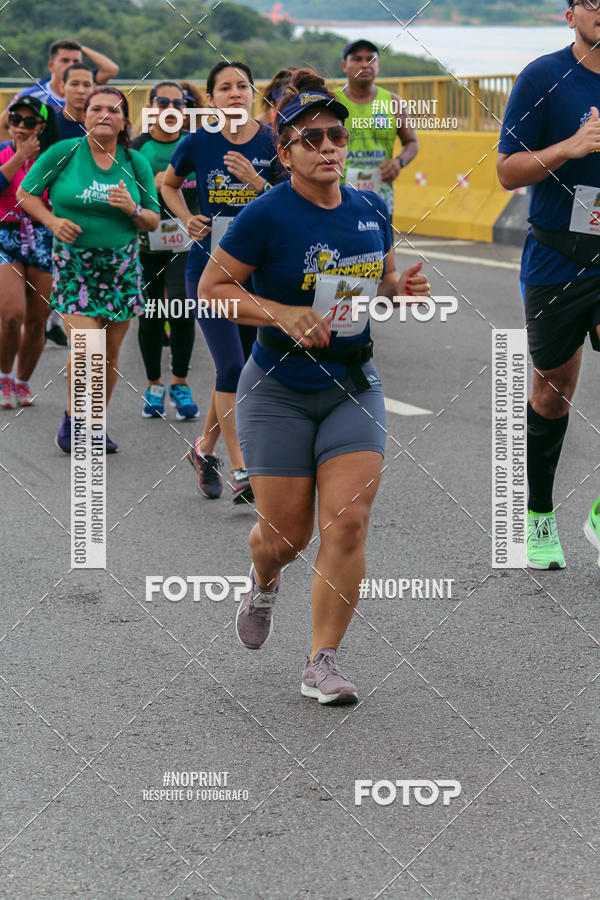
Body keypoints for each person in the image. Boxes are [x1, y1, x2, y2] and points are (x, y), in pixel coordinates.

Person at [199, 68, 430, 703]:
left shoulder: (370, 210)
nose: (328, 146)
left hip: (353, 385)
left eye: (336, 136)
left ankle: (321, 661)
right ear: (286, 153)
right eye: (312, 138)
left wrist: (396, 292)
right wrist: (282, 314)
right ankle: (263, 580)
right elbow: (212, 291)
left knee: (349, 521)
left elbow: (368, 288)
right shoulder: (264, 215)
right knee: (285, 536)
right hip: (276, 388)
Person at [497, 0, 600, 569]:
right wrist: (569, 147)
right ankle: (537, 516)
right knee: (553, 389)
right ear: (570, 16)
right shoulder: (543, 76)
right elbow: (507, 170)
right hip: (558, 256)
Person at [162, 60, 286, 503]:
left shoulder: (274, 140)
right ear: (211, 98)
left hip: (258, 273)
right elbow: (169, 184)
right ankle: (242, 469)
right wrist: (186, 216)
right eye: (225, 88)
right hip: (209, 270)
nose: (235, 93)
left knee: (240, 368)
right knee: (231, 367)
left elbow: (295, 200)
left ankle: (203, 449)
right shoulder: (198, 141)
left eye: (243, 86)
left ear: (254, 93)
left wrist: (257, 182)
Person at [18, 87, 159, 453]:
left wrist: (132, 208)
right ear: (84, 116)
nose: (103, 115)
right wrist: (51, 221)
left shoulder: (135, 162)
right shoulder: (63, 154)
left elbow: (153, 220)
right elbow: (26, 193)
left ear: (125, 120)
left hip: (121, 266)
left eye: (113, 110)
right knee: (88, 346)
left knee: (109, 352)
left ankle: (91, 424)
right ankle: (77, 419)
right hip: (74, 263)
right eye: (96, 108)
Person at [131, 80, 199, 420]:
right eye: (163, 102)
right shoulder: (137, 146)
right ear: (151, 106)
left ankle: (181, 383)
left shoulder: (195, 144)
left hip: (184, 240)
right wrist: (151, 185)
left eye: (178, 103)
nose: (170, 109)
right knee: (152, 313)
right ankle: (154, 385)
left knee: (183, 307)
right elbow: (121, 189)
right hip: (146, 241)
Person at [0, 97, 59, 408]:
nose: (21, 126)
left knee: (38, 319)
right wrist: (19, 156)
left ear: (42, 127)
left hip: (41, 235)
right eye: (16, 119)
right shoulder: (1, 152)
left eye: (29, 122)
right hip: (4, 234)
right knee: (12, 315)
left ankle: (22, 383)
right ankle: (3, 376)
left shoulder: (52, 158)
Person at [334, 40, 418, 217]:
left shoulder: (393, 102)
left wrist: (399, 161)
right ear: (344, 65)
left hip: (381, 197)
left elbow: (412, 142)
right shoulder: (332, 101)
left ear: (378, 65)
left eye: (370, 59)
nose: (365, 64)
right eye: (357, 59)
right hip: (339, 196)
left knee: (383, 245)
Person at [0, 39, 118, 139]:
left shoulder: (85, 87)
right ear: (51, 66)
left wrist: (81, 48)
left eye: (76, 61)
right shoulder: (32, 95)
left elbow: (111, 70)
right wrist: (15, 153)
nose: (71, 64)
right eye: (65, 60)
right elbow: (2, 125)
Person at [56, 63, 95, 139]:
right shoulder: (49, 125)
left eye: (87, 85)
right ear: (62, 87)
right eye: (74, 84)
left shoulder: (100, 126)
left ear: (94, 88)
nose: (81, 91)